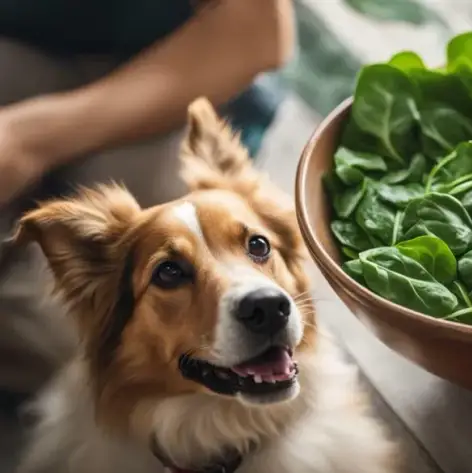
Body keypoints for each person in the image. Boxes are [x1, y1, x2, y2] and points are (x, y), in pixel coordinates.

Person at [0, 0, 295, 398]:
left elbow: (255, 32)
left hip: (181, 71)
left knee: (72, 343)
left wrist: (23, 142)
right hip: (18, 45)